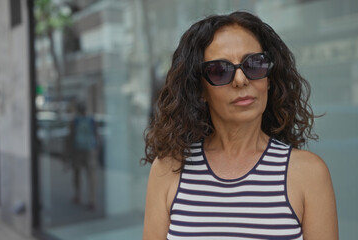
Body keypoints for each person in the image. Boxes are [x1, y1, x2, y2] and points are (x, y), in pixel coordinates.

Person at [142, 11, 338, 240]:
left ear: (269, 79)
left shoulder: (309, 174)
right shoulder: (168, 169)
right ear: (200, 90)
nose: (241, 80)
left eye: (254, 64)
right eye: (219, 70)